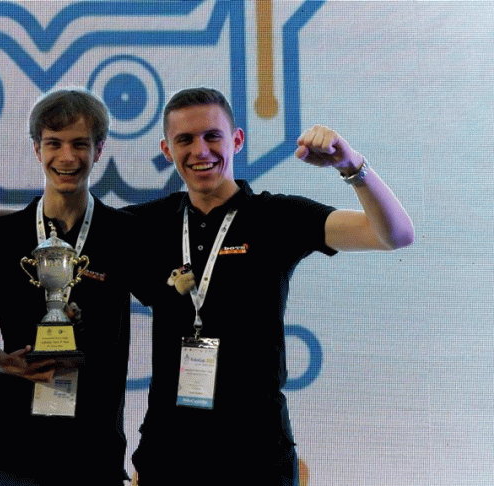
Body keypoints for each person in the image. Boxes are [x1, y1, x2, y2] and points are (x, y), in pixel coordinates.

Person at [126, 88, 414, 484]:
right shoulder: (143, 224)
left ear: (237, 140)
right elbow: (56, 237)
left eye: (212, 136)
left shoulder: (275, 217)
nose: (200, 150)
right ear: (166, 149)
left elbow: (394, 235)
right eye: (185, 139)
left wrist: (352, 166)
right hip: (168, 452)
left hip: (257, 451)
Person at [0, 88, 145, 486]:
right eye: (54, 143)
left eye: (80, 144)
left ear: (99, 150)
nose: (67, 157)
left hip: (93, 452)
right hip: (11, 452)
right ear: (37, 149)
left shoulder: (126, 234)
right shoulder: (1, 236)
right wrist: (1, 361)